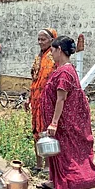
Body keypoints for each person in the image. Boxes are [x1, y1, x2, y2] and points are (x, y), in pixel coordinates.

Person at [39, 36, 95, 189]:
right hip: (61, 121)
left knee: (63, 154)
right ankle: (55, 182)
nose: (51, 54)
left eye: (52, 50)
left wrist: (54, 122)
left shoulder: (65, 72)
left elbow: (61, 99)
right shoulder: (63, 69)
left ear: (59, 50)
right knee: (55, 152)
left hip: (64, 123)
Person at [26, 28, 57, 176]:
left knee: (46, 133)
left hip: (48, 102)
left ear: (52, 40)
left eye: (43, 39)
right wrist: (29, 98)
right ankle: (38, 164)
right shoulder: (38, 57)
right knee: (36, 132)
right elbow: (34, 79)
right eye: (38, 39)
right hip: (36, 101)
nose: (40, 42)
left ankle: (48, 166)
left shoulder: (55, 57)